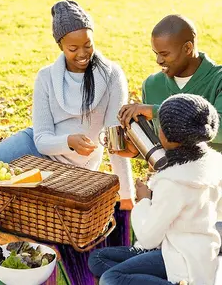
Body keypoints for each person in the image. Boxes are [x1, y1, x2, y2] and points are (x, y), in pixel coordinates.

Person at [0, 0, 134, 209]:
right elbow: (41, 140)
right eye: (72, 48)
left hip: (73, 171)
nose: (82, 54)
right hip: (34, 148)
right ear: (60, 45)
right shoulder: (47, 77)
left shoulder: (112, 76)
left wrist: (126, 195)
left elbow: (115, 141)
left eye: (88, 45)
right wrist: (68, 141)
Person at [88, 93, 222, 285]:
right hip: (196, 251)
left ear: (166, 136)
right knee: (98, 259)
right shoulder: (214, 162)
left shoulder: (173, 182)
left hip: (181, 260)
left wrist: (144, 200)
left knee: (111, 278)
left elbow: (148, 237)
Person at [118, 14, 222, 155]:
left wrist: (157, 112)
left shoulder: (218, 80)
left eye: (164, 54)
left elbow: (218, 129)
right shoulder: (152, 85)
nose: (159, 60)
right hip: (171, 174)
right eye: (156, 53)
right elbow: (159, 146)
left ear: (187, 48)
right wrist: (136, 151)